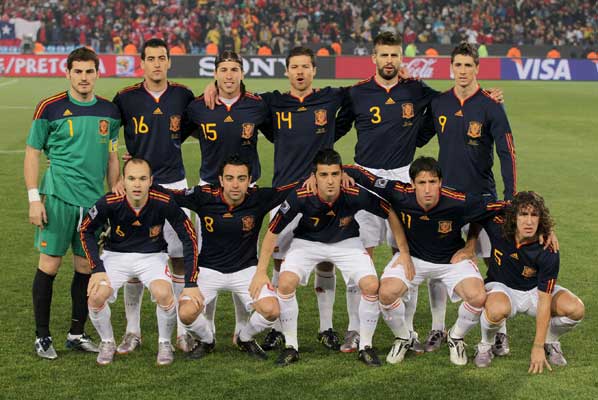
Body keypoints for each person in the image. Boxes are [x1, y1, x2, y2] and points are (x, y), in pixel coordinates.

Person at [251, 149, 410, 367]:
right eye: (324, 175)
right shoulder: (301, 195)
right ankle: (291, 346)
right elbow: (272, 231)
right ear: (313, 176)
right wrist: (261, 272)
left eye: (335, 174)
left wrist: (404, 251)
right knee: (286, 283)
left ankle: (365, 346)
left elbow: (389, 212)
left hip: (347, 243)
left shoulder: (353, 191)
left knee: (371, 285)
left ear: (342, 173)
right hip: (307, 243)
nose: (330, 181)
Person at [344, 157, 502, 365]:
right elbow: (366, 177)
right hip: (414, 259)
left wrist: (470, 246)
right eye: (421, 182)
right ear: (412, 184)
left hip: (451, 262)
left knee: (477, 297)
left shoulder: (457, 200)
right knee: (386, 293)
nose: (428, 189)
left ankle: (456, 337)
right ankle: (403, 337)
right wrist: (338, 170)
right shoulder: (399, 192)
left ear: (440, 182)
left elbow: (495, 208)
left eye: (433, 182)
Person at [25, 47, 121, 359]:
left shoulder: (109, 112)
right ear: (68, 73)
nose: (83, 77)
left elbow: (111, 156)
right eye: (77, 71)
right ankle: (42, 337)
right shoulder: (49, 107)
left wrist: (113, 196)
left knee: (84, 268)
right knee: (49, 266)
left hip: (93, 203)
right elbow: (32, 153)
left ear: (97, 73)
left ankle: (76, 334)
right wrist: (33, 199)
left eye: (89, 71)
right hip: (57, 199)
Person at [424, 41, 517, 353]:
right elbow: (419, 133)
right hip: (446, 198)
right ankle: (437, 328)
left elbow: (507, 152)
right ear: (451, 67)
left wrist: (511, 197)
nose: (462, 71)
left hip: (483, 197)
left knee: (494, 261)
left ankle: (498, 328)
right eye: (458, 65)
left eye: (468, 65)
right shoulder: (439, 103)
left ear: (477, 68)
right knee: (439, 260)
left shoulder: (490, 105)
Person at [164, 155, 299, 360]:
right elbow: (170, 195)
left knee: (272, 311)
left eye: (241, 178)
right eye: (229, 178)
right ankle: (207, 340)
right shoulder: (203, 195)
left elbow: (291, 189)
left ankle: (245, 338)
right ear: (220, 180)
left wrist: (320, 176)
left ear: (249, 180)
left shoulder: (259, 197)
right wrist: (142, 183)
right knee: (186, 313)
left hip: (246, 271)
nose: (235, 184)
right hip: (208, 270)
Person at [112, 38, 196, 353]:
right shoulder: (126, 98)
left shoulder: (183, 96)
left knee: (178, 259)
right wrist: (118, 172)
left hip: (174, 186)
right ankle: (133, 331)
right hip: (137, 188)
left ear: (168, 62)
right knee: (134, 258)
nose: (157, 64)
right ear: (142, 63)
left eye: (162, 58)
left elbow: (194, 123)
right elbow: (107, 135)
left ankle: (180, 332)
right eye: (151, 58)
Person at [184, 51, 270, 345]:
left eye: (234, 69)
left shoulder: (258, 106)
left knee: (246, 253)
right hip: (210, 186)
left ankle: (242, 324)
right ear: (215, 73)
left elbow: (275, 132)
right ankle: (205, 324)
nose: (229, 75)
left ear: (242, 73)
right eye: (224, 69)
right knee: (206, 252)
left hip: (248, 187)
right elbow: (180, 133)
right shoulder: (198, 106)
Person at [80, 158, 199, 365]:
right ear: (123, 181)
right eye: (132, 178)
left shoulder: (162, 200)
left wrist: (191, 281)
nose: (137, 184)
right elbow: (86, 229)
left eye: (143, 178)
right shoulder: (110, 201)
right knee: (96, 297)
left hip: (152, 256)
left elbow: (188, 235)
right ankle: (107, 342)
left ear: (151, 180)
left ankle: (165, 343)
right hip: (115, 256)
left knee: (164, 293)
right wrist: (97, 269)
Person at [472, 192, 584, 372]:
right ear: (513, 216)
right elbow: (475, 207)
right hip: (502, 287)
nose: (529, 221)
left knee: (576, 309)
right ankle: (485, 346)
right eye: (523, 214)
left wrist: (537, 346)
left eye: (534, 215)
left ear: (541, 219)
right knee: (496, 310)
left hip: (534, 292)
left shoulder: (548, 248)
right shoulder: (497, 226)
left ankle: (550, 341)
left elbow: (545, 299)